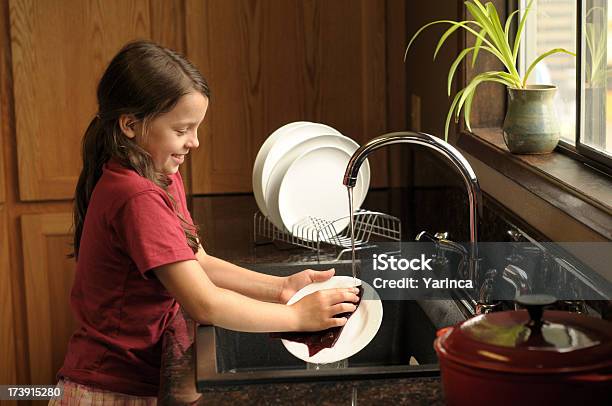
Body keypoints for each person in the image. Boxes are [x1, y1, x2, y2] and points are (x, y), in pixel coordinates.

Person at [50, 40, 359, 405]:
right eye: (181, 130)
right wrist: (297, 317)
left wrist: (280, 288)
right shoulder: (138, 197)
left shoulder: (158, 175)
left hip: (128, 376)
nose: (194, 142)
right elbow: (204, 304)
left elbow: (197, 260)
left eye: (196, 129)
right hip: (108, 390)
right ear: (130, 125)